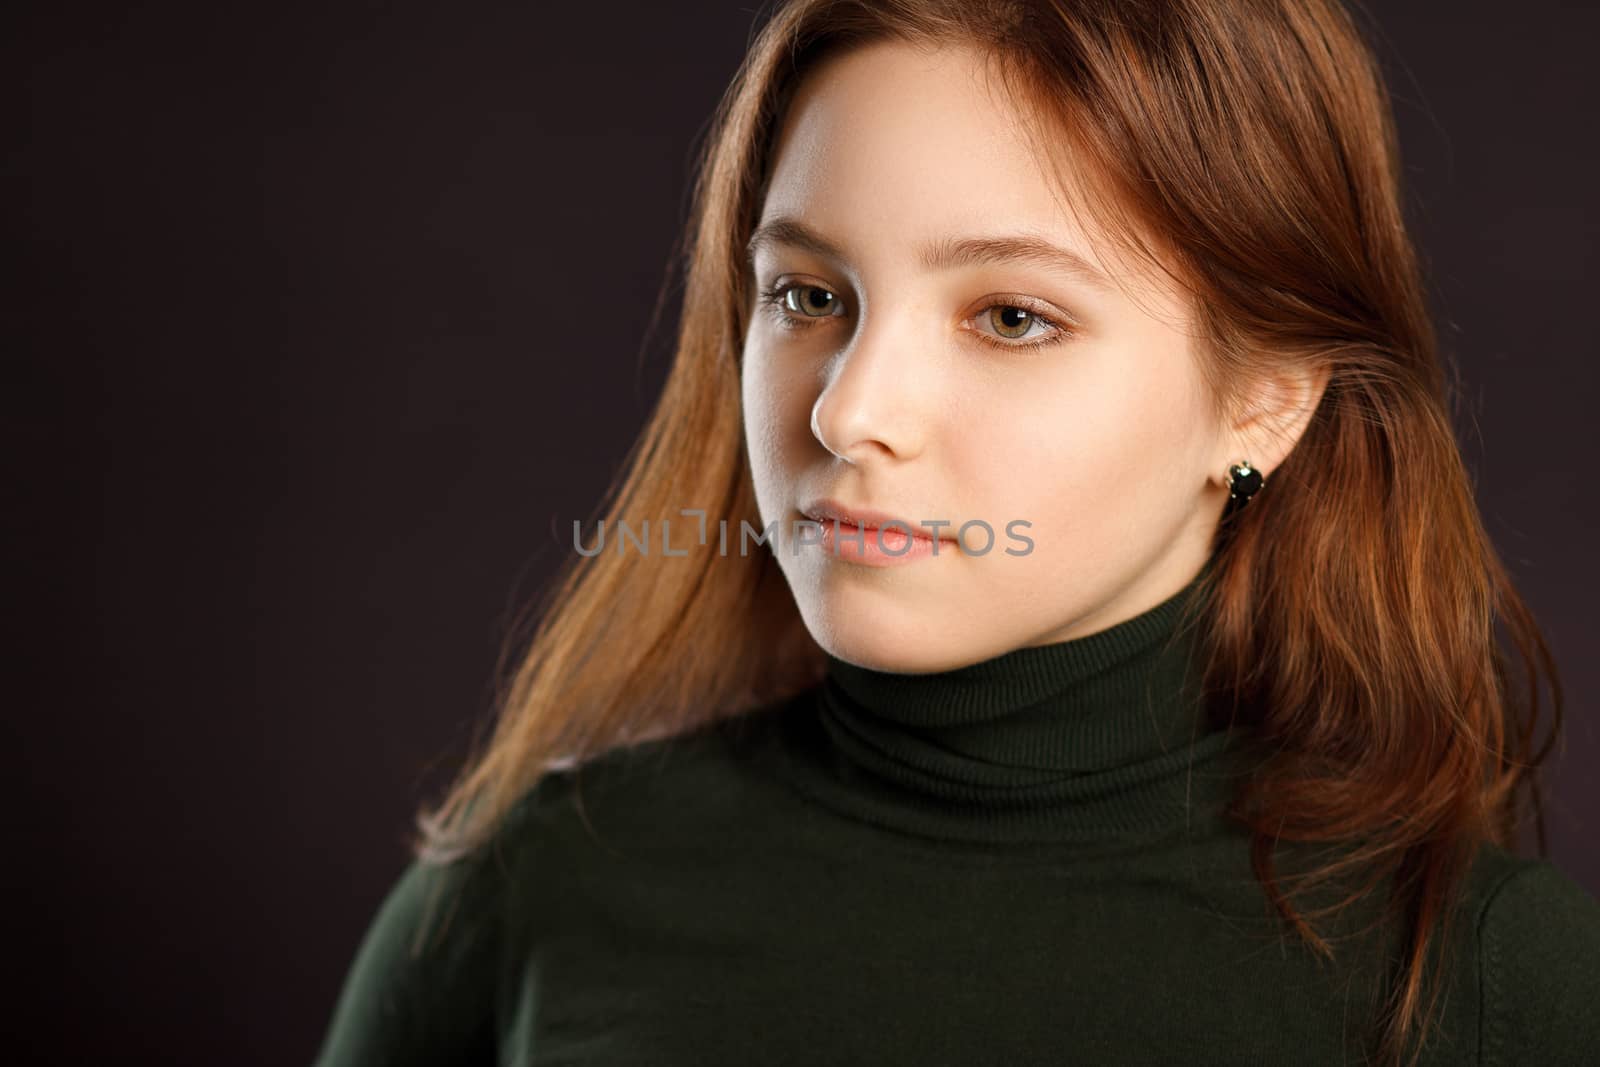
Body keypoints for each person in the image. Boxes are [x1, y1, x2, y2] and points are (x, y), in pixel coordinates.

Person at [313, 1, 1600, 1064]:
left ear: (1264, 397)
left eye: (1011, 318)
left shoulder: (1485, 985)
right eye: (809, 294)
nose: (849, 407)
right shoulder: (535, 892)